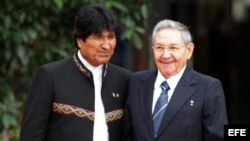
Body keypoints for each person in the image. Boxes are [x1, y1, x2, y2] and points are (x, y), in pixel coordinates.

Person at [20, 4, 131, 141]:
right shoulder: (50, 76)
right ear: (79, 40)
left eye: (111, 37)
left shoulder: (124, 79)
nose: (106, 45)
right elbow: (31, 135)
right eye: (98, 37)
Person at [124, 19, 228, 141]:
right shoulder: (136, 82)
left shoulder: (208, 88)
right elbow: (127, 133)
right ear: (153, 49)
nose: (166, 55)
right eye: (159, 48)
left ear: (189, 50)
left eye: (173, 48)